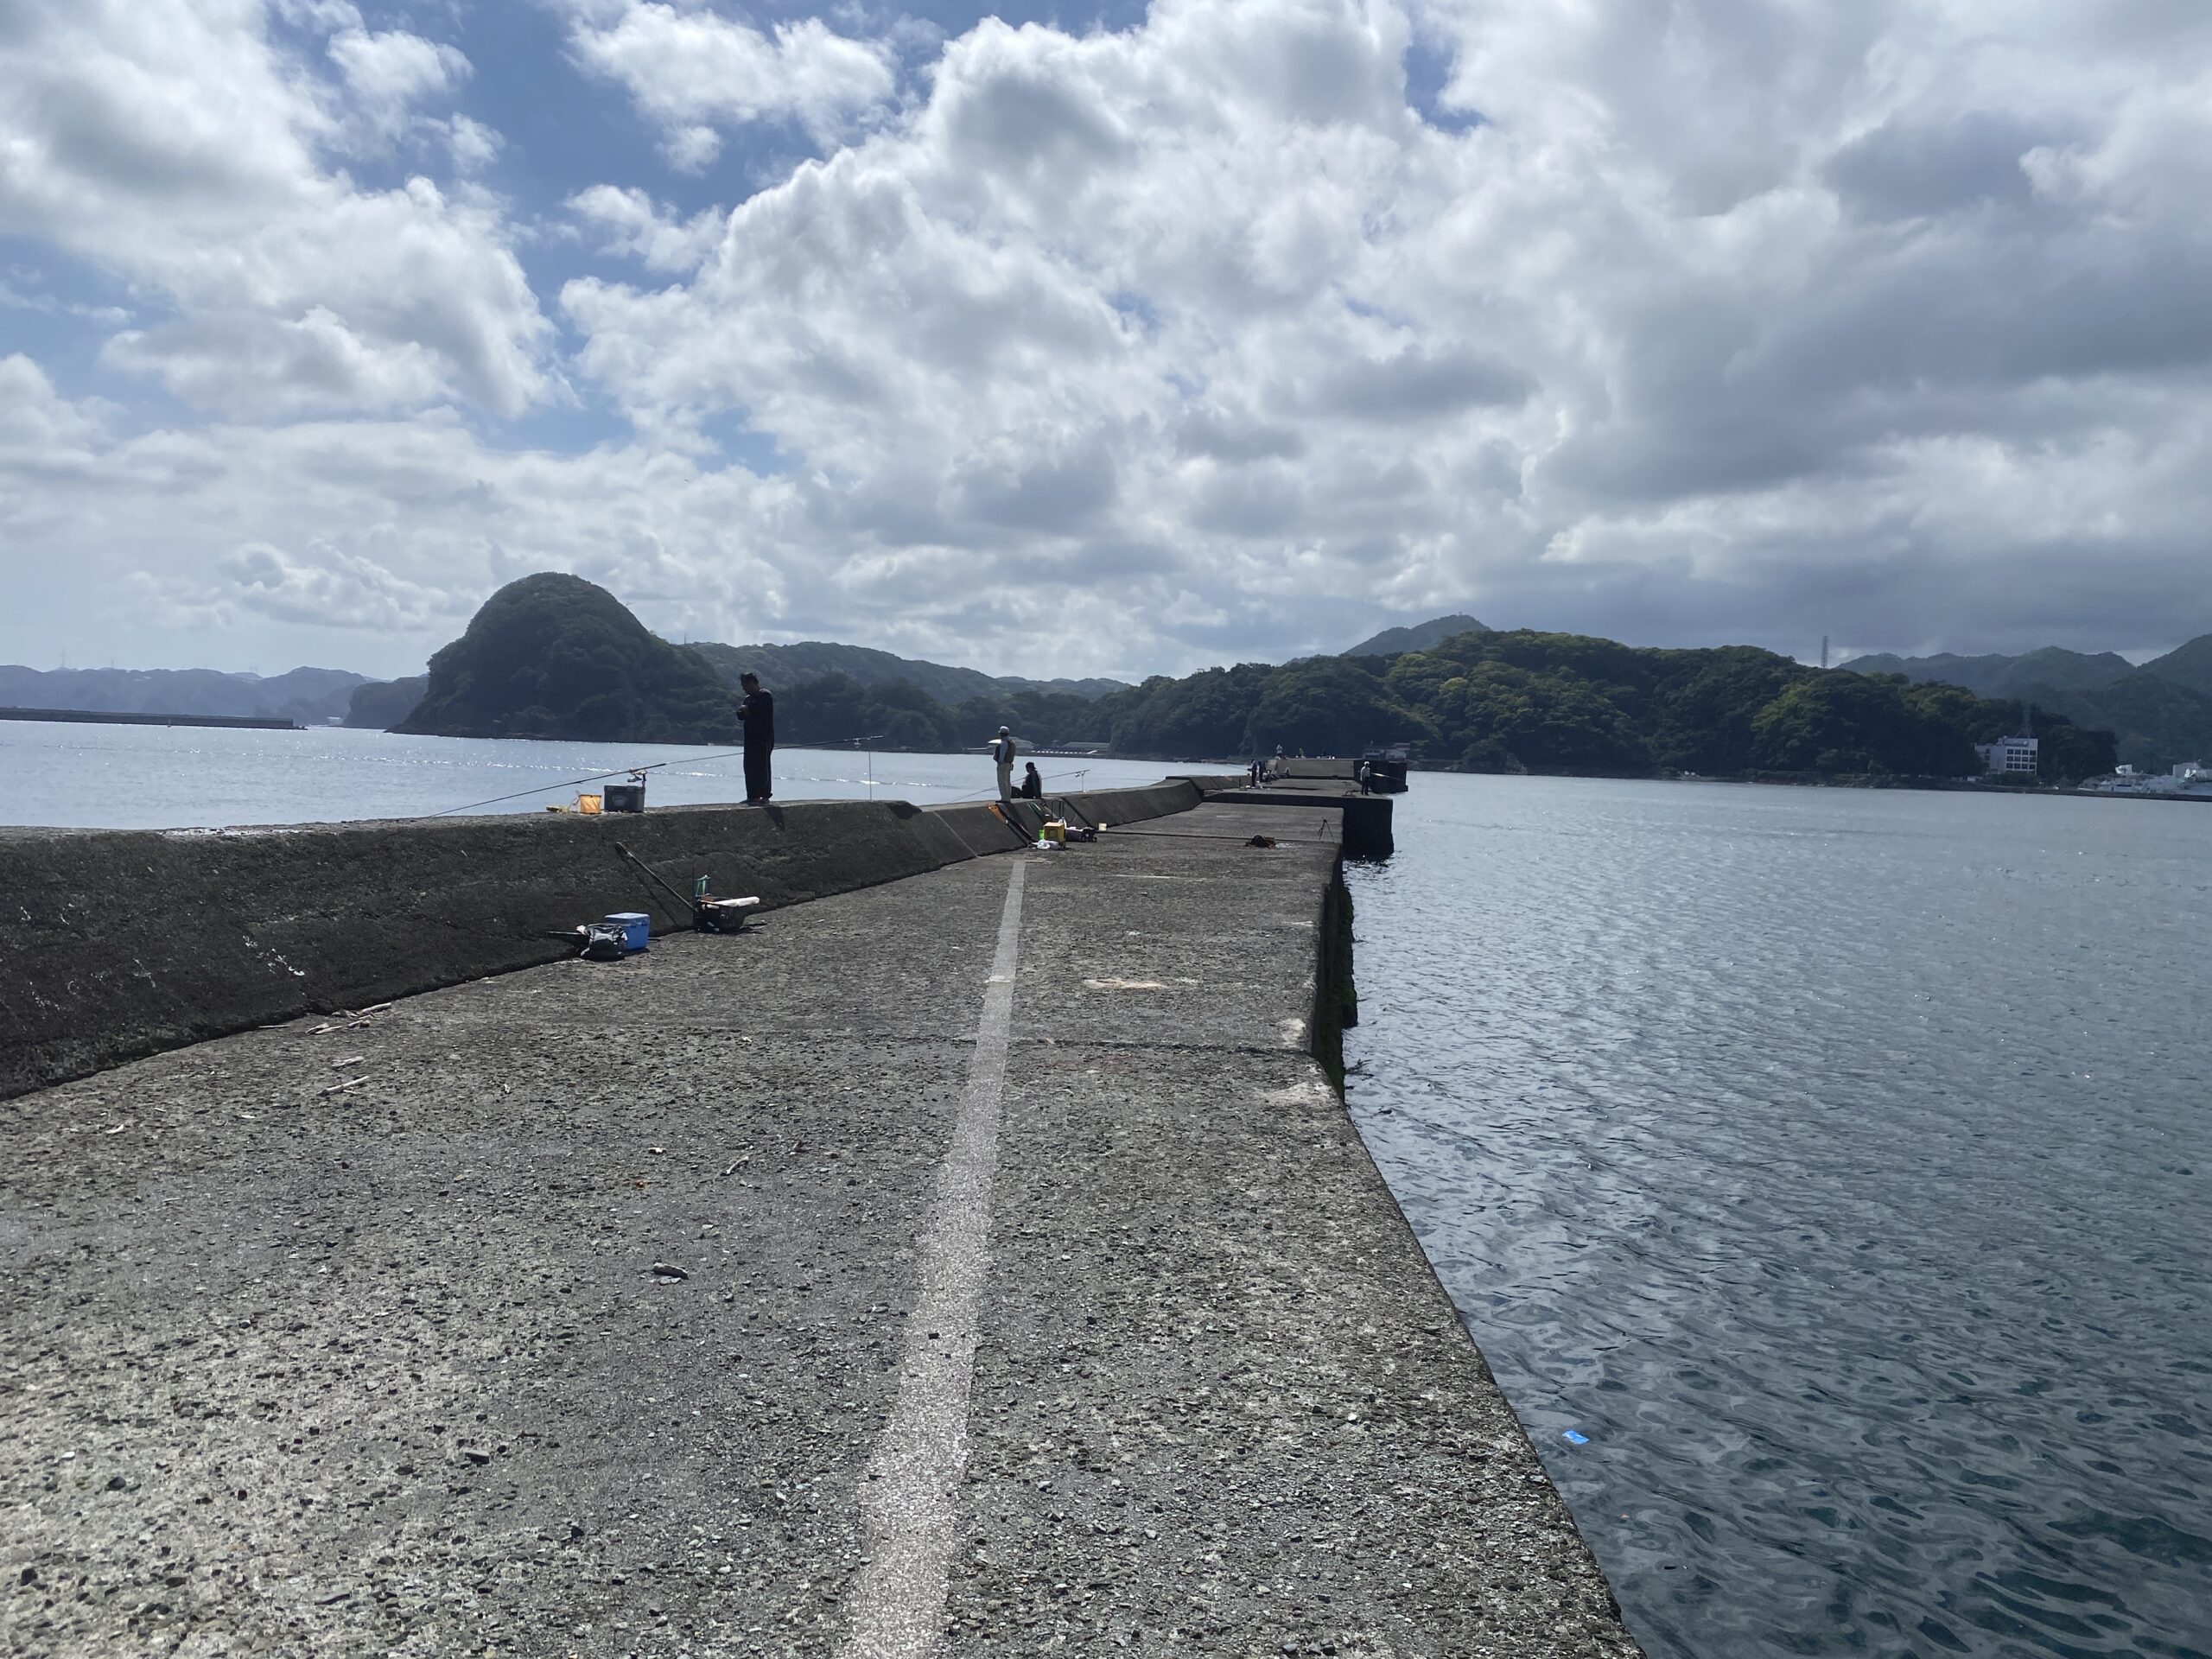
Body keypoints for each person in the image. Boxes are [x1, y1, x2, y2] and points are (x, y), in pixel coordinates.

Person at [737, 671, 775, 804]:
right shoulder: (748, 699)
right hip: (750, 738)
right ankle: (752, 795)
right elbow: (740, 714)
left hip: (763, 737)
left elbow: (750, 710)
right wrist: (745, 709)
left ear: (753, 682)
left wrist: (746, 709)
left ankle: (765, 796)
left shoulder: (764, 695)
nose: (744, 688)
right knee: (749, 766)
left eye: (745, 685)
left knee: (762, 766)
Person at [990, 725, 1017, 802]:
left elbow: (1002, 753)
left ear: (1001, 734)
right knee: (1007, 781)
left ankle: (1004, 798)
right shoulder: (1012, 742)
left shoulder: (1004, 743)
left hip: (1003, 764)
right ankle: (1007, 797)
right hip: (1009, 763)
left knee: (1002, 781)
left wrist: (1000, 761)